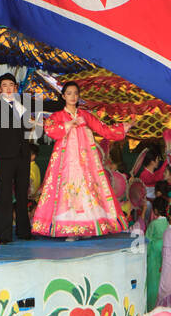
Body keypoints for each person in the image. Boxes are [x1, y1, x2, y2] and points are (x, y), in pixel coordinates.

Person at [31, 80, 128, 239]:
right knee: (68, 192)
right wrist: (68, 124)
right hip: (66, 163)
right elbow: (50, 130)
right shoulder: (58, 116)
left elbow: (102, 128)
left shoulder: (85, 115)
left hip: (85, 162)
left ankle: (87, 226)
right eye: (69, 93)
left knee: (87, 190)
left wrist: (123, 128)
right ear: (63, 96)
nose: (73, 96)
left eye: (75, 93)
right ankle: (71, 228)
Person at [0, 73, 55, 242]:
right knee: (4, 195)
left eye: (11, 85)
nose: (8, 88)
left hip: (23, 155)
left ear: (15, 87)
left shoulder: (24, 102)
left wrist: (62, 95)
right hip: (5, 155)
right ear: (0, 88)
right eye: (5, 85)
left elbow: (48, 105)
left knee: (23, 194)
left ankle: (24, 231)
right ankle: (4, 235)